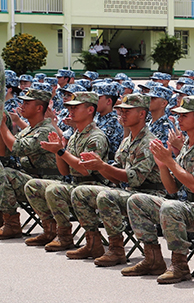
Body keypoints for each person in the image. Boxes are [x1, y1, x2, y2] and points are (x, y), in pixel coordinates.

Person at [125, 95, 194, 282]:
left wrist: (170, 161)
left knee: (171, 207)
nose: (179, 119)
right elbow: (172, 188)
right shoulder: (188, 144)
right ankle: (152, 258)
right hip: (189, 206)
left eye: (184, 115)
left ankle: (180, 264)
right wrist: (163, 166)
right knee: (137, 201)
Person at [69, 93, 164, 265]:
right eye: (121, 111)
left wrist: (103, 166)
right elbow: (116, 176)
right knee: (80, 192)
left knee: (106, 197)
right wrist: (99, 167)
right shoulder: (128, 140)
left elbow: (134, 178)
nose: (122, 115)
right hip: (130, 193)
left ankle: (117, 249)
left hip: (150, 194)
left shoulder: (148, 142)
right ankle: (93, 242)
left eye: (128, 111)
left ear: (142, 114)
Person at [23, 92, 109, 251]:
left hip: (93, 186)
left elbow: (85, 170)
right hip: (76, 185)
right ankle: (51, 230)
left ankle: (69, 237)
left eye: (76, 107)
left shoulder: (96, 137)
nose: (71, 111)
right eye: (70, 107)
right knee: (32, 185)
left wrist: (61, 151)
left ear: (90, 110)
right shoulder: (76, 135)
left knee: (54, 190)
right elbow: (64, 172)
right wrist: (58, 151)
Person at [0, 88, 60, 239]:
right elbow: (5, 152)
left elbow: (17, 148)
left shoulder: (45, 130)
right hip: (30, 180)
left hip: (46, 183)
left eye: (27, 103)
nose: (22, 106)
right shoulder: (29, 130)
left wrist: (2, 126)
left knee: (3, 174)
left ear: (39, 108)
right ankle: (6, 220)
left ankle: (11, 224)